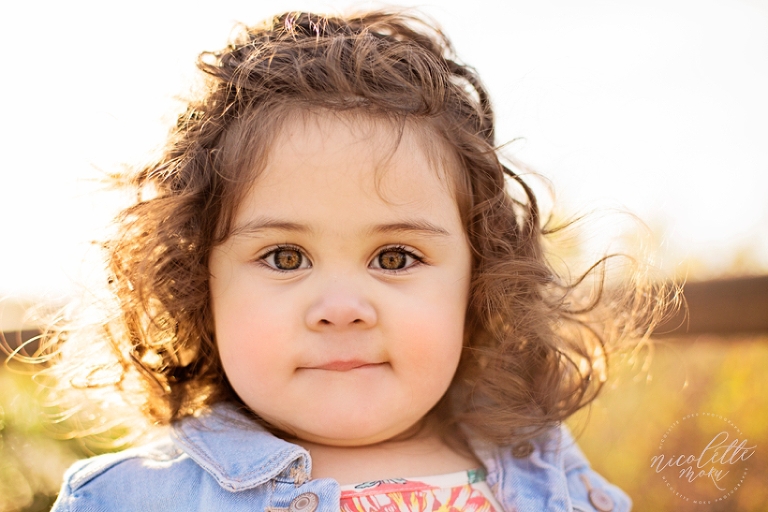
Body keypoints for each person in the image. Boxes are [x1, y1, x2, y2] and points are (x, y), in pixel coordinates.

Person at [46, 9, 662, 511]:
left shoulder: (547, 469)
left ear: (478, 281)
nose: (341, 309)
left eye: (394, 257)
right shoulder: (130, 499)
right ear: (197, 286)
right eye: (285, 257)